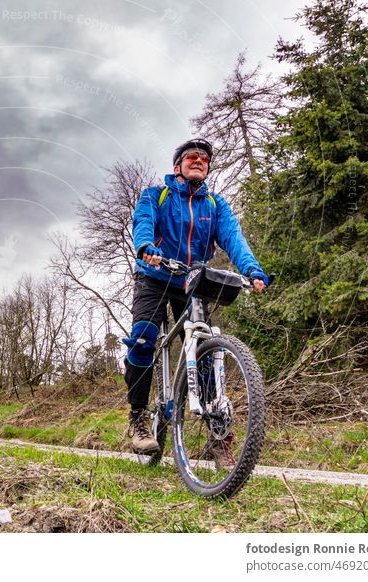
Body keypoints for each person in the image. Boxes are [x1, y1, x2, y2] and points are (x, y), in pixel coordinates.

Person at [123, 138, 269, 467]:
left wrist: (252, 270)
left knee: (203, 346)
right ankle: (138, 417)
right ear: (178, 166)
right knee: (144, 338)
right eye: (192, 156)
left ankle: (218, 437)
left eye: (205, 158)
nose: (200, 160)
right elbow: (142, 222)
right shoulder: (155, 195)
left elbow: (233, 237)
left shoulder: (215, 205)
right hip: (155, 274)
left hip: (192, 279)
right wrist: (146, 245)